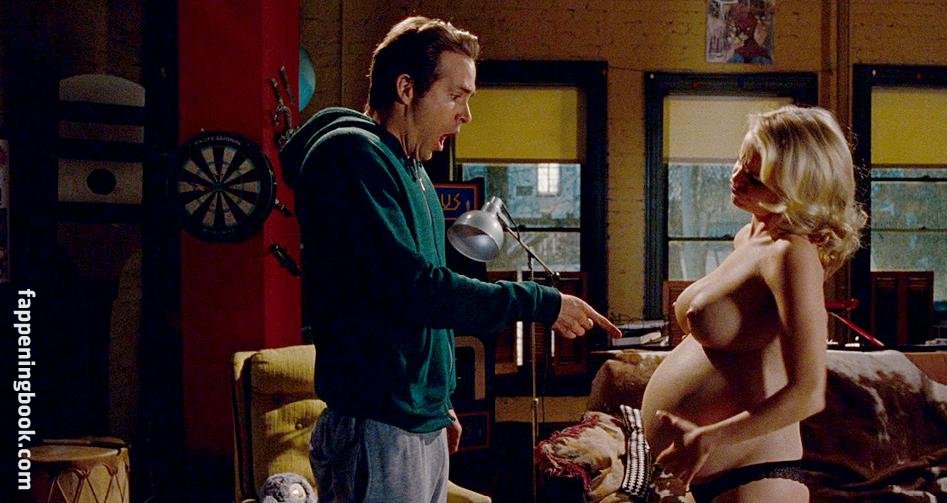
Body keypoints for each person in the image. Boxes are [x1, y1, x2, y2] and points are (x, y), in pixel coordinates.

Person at [279, 16, 621, 503]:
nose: (467, 115)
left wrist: (438, 403)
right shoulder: (353, 157)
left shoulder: (412, 168)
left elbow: (426, 301)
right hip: (379, 423)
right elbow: (416, 289)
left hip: (416, 419)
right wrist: (541, 303)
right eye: (456, 96)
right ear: (406, 89)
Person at [641, 105, 865, 502]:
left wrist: (709, 438)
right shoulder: (748, 237)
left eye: (756, 177)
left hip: (755, 475)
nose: (736, 178)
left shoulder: (791, 254)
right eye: (742, 161)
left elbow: (809, 391)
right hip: (715, 474)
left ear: (795, 189)